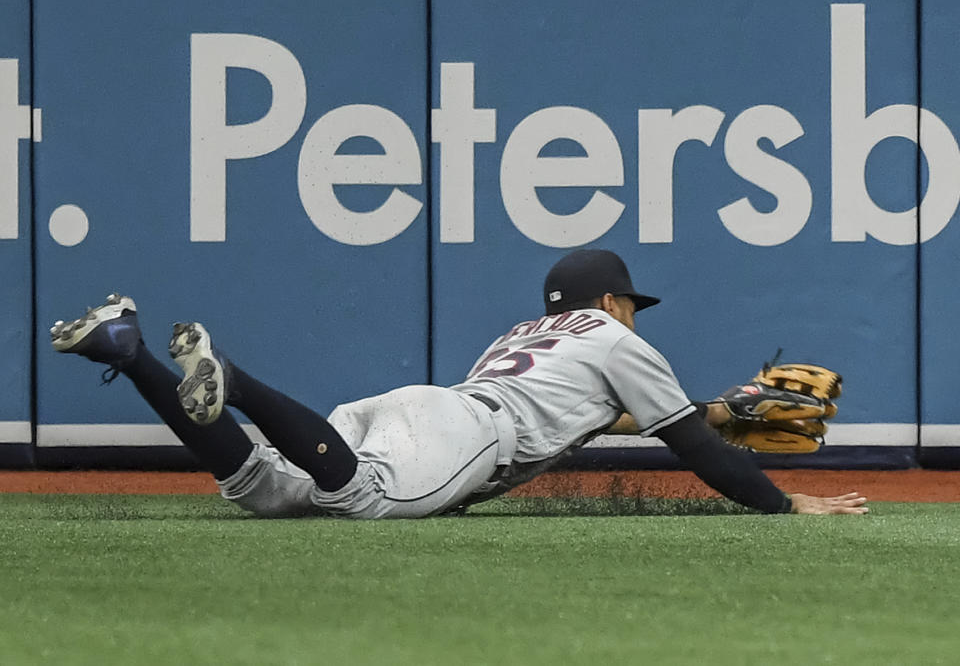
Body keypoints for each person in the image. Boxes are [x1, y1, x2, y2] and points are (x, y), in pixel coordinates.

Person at [51, 248, 867, 519]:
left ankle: (128, 352)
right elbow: (689, 445)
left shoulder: (529, 334)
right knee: (361, 500)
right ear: (614, 301)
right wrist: (783, 501)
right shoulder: (615, 335)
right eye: (631, 302)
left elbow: (601, 419)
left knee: (264, 486)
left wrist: (726, 409)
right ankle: (233, 377)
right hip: (465, 435)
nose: (632, 314)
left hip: (417, 409)